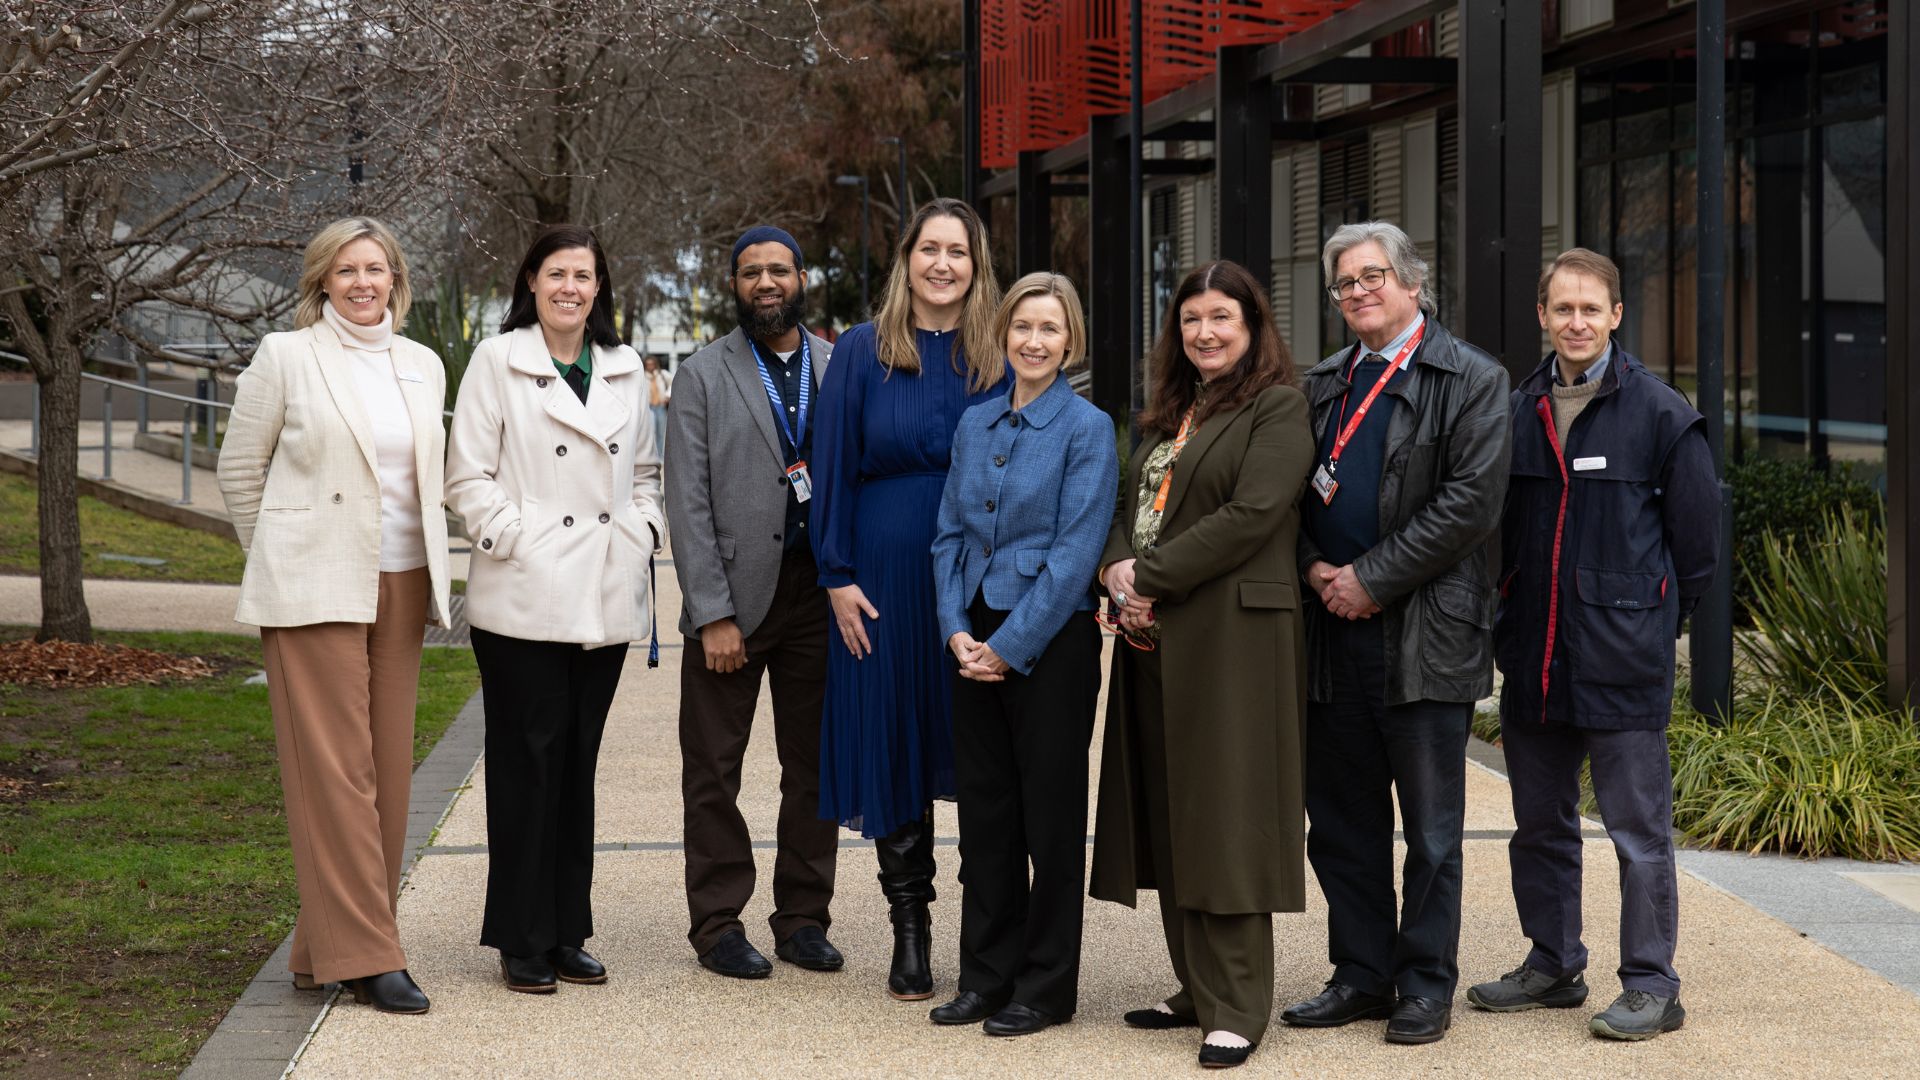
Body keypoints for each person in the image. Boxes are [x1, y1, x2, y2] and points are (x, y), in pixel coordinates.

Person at [1466, 248, 1718, 1040]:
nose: (1576, 322)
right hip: (1535, 656)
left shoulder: (1660, 413)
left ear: (1615, 316)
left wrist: (1647, 622)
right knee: (1539, 826)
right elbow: (1497, 537)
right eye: (1561, 308)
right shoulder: (1516, 409)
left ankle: (1652, 984)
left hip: (1622, 663)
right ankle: (1552, 964)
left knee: (1638, 837)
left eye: (1591, 309)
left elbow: (1699, 549)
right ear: (1542, 316)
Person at [1281, 221, 1511, 1045]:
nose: (1359, 292)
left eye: (1374, 276)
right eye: (1345, 283)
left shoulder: (1474, 378)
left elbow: (1471, 505)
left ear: (1414, 284)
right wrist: (1316, 571)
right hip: (1330, 631)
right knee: (1340, 822)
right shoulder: (1323, 384)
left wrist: (1370, 580)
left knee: (1433, 832)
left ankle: (1423, 983)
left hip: (1425, 635)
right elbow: (1288, 495)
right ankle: (1361, 973)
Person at [217, 216, 452, 1015]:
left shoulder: (422, 364)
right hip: (313, 586)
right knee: (338, 773)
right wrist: (280, 556)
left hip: (403, 580)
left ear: (395, 278)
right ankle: (370, 954)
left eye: (376, 268)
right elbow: (239, 470)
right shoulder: (288, 356)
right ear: (322, 280)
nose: (362, 282)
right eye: (346, 269)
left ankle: (326, 948)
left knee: (385, 771)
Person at [1088, 260, 1313, 1070]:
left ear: (1252, 328)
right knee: (1172, 812)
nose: (1206, 332)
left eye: (1222, 317)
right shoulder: (1166, 414)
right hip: (1154, 641)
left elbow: (1253, 515)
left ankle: (1241, 1003)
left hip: (1232, 642)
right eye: (1191, 320)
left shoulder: (1279, 408)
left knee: (1228, 815)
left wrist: (1146, 577)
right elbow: (1124, 504)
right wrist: (1115, 568)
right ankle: (1196, 986)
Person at [446, 224, 666, 995]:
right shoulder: (497, 360)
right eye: (557, 274)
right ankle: (520, 934)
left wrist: (642, 532)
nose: (571, 287)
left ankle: (568, 927)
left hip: (602, 595)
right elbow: (467, 476)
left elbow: (644, 470)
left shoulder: (623, 365)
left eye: (585, 274)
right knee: (525, 765)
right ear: (531, 282)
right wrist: (517, 537)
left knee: (577, 767)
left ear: (599, 286)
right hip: (525, 596)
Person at [810, 197, 1004, 1001]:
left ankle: (990, 939)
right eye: (930, 249)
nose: (943, 265)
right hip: (883, 576)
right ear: (907, 259)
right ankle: (911, 932)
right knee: (896, 747)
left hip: (982, 574)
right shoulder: (862, 351)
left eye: (958, 251)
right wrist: (836, 576)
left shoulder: (1000, 350)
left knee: (982, 748)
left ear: (976, 264)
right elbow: (832, 467)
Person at [927, 273, 1117, 1037]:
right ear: (1002, 334)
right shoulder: (975, 425)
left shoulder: (1088, 428)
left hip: (1050, 643)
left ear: (1070, 341)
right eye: (1022, 328)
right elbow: (947, 535)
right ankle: (985, 976)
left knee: (1050, 819)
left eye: (1050, 329)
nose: (1034, 342)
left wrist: (1007, 648)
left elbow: (1075, 556)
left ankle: (1045, 987)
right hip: (971, 634)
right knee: (986, 817)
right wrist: (954, 629)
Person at [668, 226, 842, 980]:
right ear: (733, 286)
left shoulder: (841, 368)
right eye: (750, 273)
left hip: (820, 597)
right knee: (714, 770)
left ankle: (803, 917)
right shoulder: (703, 374)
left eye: (778, 270)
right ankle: (717, 925)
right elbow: (687, 500)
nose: (766, 283)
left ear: (802, 278)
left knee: (814, 768)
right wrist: (712, 612)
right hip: (734, 601)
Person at [645, 355, 673, 459]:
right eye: (648, 364)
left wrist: (668, 395)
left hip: (661, 406)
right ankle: (653, 456)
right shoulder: (643, 376)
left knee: (661, 433)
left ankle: (661, 456)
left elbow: (673, 384)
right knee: (652, 433)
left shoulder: (663, 375)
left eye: (652, 364)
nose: (650, 366)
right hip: (649, 408)